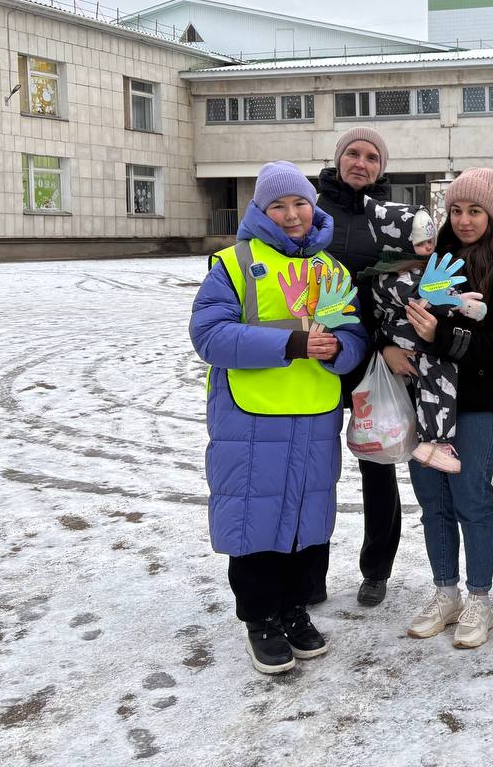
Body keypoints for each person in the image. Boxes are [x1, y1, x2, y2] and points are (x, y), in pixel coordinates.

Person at [190, 161, 368, 674]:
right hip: (251, 417)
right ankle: (260, 618)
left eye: (299, 204)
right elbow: (211, 337)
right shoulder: (234, 263)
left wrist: (338, 349)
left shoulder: (331, 270)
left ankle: (295, 610)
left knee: (307, 518)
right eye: (279, 206)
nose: (291, 215)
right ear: (260, 211)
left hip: (313, 415)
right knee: (254, 518)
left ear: (313, 207)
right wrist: (294, 343)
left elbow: (354, 340)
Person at [402, 168, 493, 649]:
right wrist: (400, 341)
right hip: (426, 406)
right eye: (456, 210)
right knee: (432, 503)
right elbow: (405, 317)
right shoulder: (432, 262)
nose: (464, 219)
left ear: (491, 214)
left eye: (475, 210)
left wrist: (444, 337)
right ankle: (445, 592)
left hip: (474, 408)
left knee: (471, 503)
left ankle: (479, 598)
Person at [316, 126, 399, 608]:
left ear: (381, 168)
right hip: (318, 356)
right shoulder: (312, 212)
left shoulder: (391, 220)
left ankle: (377, 569)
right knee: (315, 467)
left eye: (371, 156)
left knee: (376, 464)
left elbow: (406, 285)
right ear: (339, 159)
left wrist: (391, 345)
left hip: (373, 361)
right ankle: (310, 566)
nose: (361, 162)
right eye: (353, 153)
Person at [359, 197, 488, 472]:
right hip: (407, 339)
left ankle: (432, 439)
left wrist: (455, 299)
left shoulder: (413, 270)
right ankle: (433, 441)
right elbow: (423, 299)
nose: (429, 247)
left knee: (434, 378)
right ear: (399, 245)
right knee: (439, 378)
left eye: (430, 240)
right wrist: (461, 305)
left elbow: (432, 293)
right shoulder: (392, 277)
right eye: (420, 243)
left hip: (413, 337)